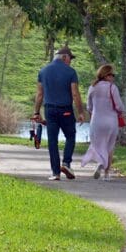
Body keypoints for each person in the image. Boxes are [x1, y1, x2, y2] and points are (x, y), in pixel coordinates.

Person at [33, 46, 87, 181]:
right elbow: (75, 93)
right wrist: (80, 112)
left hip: (49, 110)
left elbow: (40, 94)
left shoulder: (43, 71)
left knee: (52, 141)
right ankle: (66, 163)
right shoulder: (70, 72)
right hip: (66, 110)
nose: (71, 62)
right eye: (70, 58)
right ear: (64, 57)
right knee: (70, 135)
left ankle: (55, 173)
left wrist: (36, 112)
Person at [79, 63, 124, 181]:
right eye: (112, 75)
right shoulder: (112, 87)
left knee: (97, 144)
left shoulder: (92, 87)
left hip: (96, 121)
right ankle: (106, 174)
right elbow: (119, 106)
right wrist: (122, 112)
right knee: (109, 147)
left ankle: (100, 162)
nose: (113, 78)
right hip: (111, 121)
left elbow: (89, 106)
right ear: (106, 75)